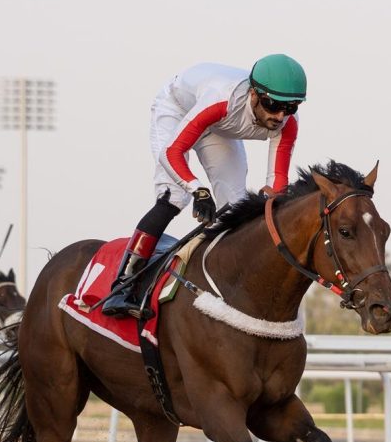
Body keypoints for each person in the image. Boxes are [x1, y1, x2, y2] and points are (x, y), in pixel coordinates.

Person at [100, 54, 306, 318]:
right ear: (254, 95)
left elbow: (277, 180)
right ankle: (122, 286)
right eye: (273, 104)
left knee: (236, 206)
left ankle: (234, 285)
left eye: (290, 107)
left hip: (218, 128)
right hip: (178, 110)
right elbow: (172, 153)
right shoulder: (221, 100)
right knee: (174, 196)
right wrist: (197, 189)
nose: (280, 116)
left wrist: (270, 201)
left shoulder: (288, 123)